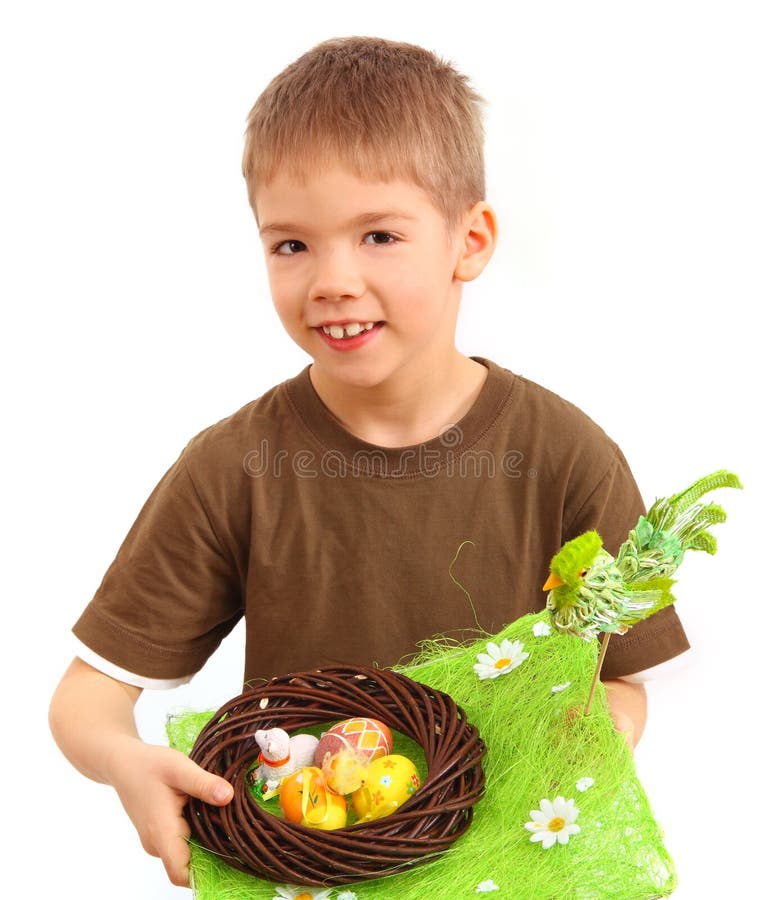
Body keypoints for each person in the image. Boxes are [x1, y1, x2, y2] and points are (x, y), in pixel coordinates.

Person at [49, 36, 689, 888]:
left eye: (379, 235)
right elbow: (86, 701)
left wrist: (556, 750)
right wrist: (125, 764)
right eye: (291, 245)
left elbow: (623, 684)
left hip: (505, 871)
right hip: (303, 868)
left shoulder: (564, 456)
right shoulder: (233, 468)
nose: (333, 280)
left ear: (471, 240)